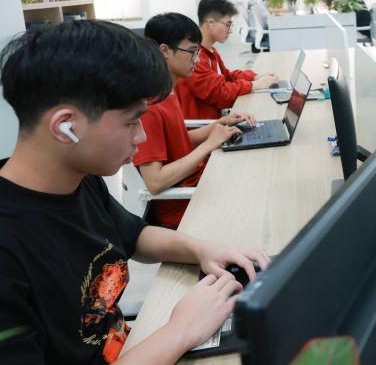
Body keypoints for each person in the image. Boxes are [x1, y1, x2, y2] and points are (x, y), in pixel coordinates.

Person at [0, 20, 270, 363]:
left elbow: (135, 236)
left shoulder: (77, 178)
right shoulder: (8, 253)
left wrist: (205, 250)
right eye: (131, 121)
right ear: (65, 127)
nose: (141, 137)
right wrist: (181, 330)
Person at [134, 13, 255, 229]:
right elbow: (155, 182)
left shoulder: (167, 91)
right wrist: (209, 144)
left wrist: (219, 125)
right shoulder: (150, 106)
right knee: (253, 196)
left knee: (252, 168)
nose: (197, 60)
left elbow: (176, 141)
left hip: (197, 184)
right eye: (191, 52)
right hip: (184, 207)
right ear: (164, 51)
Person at [175, 0, 278, 119]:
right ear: (211, 23)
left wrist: (255, 77)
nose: (230, 30)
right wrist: (254, 85)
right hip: (206, 129)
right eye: (228, 24)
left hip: (217, 120)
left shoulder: (210, 51)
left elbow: (227, 76)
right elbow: (221, 94)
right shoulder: (195, 58)